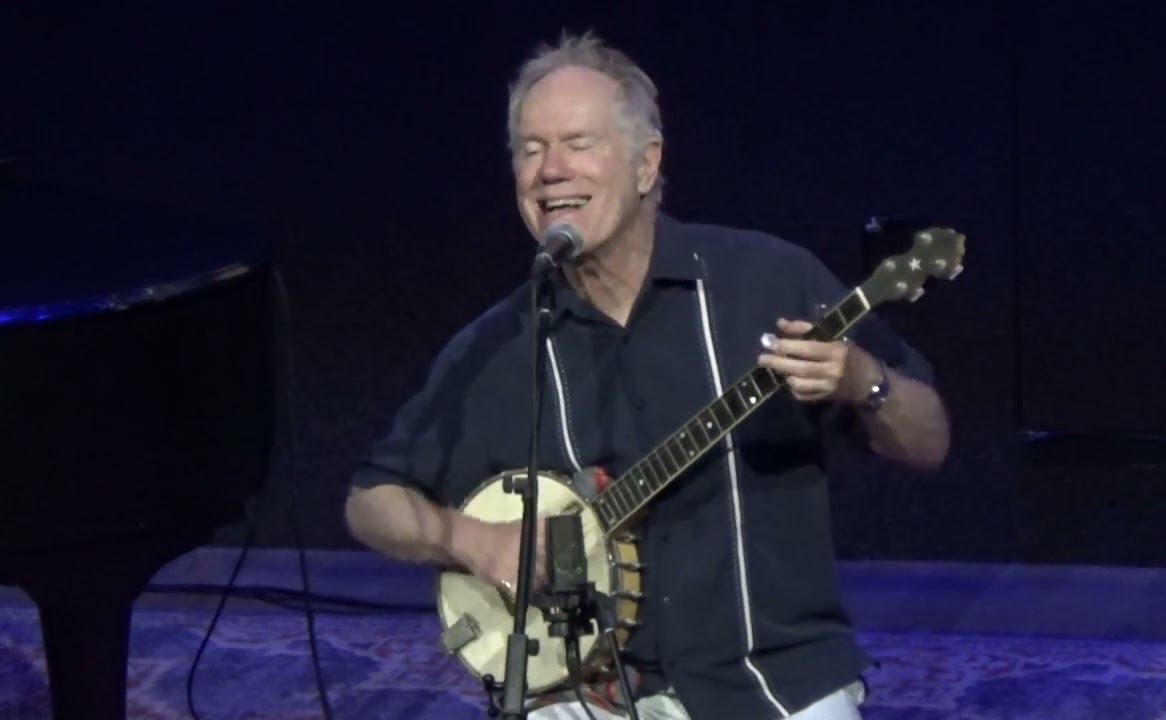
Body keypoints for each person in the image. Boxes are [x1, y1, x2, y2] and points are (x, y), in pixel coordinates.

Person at [344, 30, 950, 720]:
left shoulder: (766, 278)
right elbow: (371, 498)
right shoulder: (500, 345)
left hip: (774, 683)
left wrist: (864, 381)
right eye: (531, 150)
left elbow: (928, 441)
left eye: (578, 143)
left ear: (645, 164)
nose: (550, 171)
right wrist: (474, 541)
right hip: (582, 693)